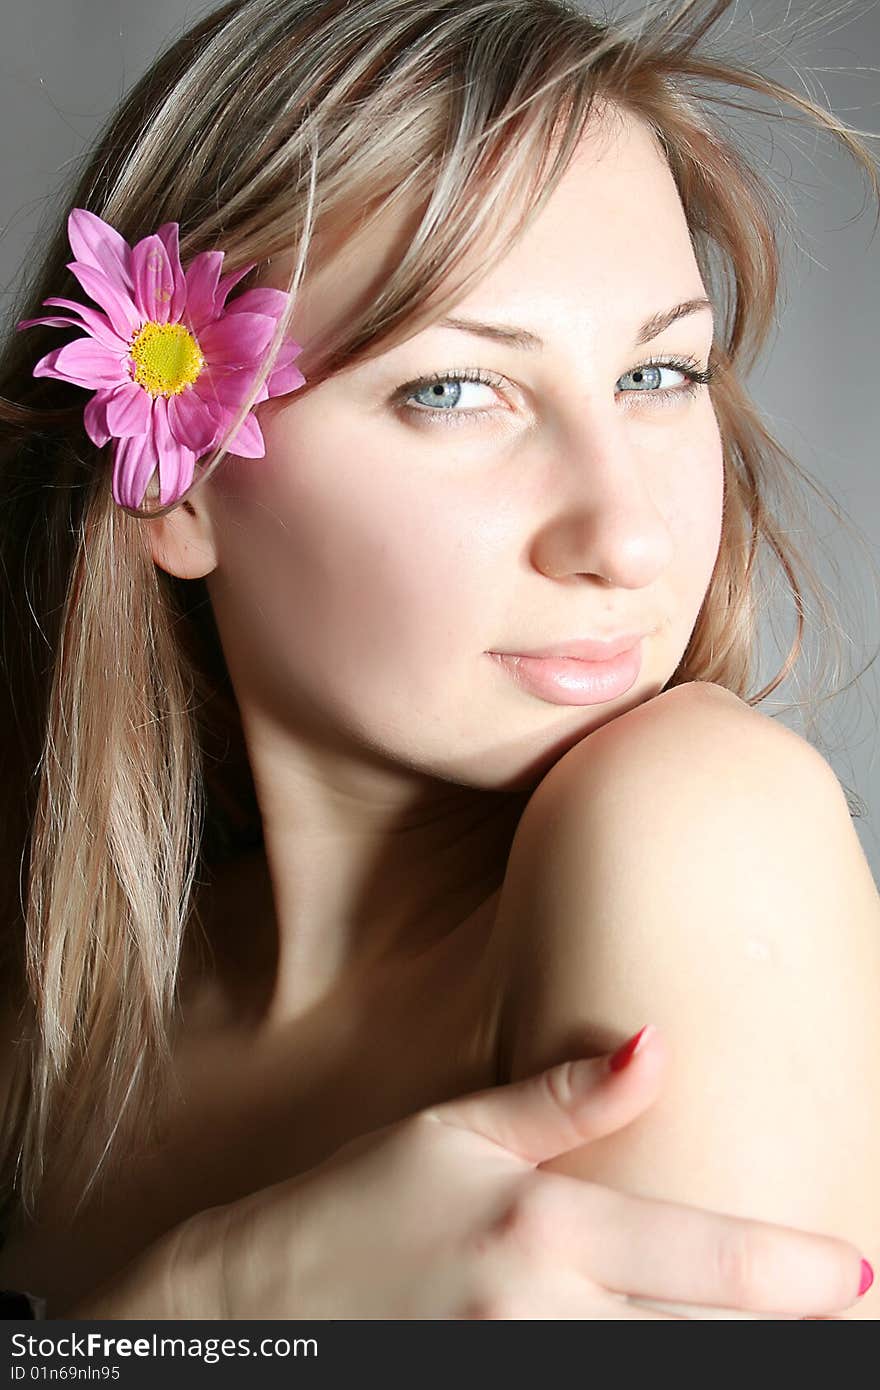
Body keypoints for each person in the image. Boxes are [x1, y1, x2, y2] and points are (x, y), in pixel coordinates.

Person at [0, 0, 878, 1321]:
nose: (628, 534)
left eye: (659, 372)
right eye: (457, 389)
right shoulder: (50, 1022)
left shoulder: (698, 819)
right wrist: (210, 1294)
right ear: (174, 489)